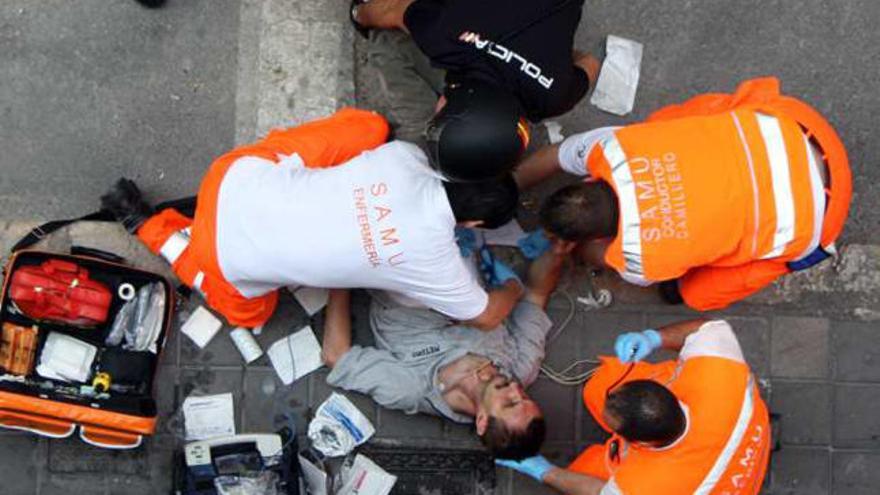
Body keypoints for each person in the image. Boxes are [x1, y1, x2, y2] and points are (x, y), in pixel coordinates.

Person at [101, 108, 522, 330]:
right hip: (221, 256)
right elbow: (486, 316)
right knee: (250, 316)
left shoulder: (406, 156)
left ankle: (175, 224)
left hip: (231, 177)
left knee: (371, 127)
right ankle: (152, 229)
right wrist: (517, 289)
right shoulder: (435, 262)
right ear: (473, 225)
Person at [516, 77, 852, 310]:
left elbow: (597, 257)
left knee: (694, 293)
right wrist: (513, 183)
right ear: (588, 181)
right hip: (795, 126)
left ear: (602, 238)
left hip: (822, 216)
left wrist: (565, 250)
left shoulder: (638, 257)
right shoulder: (614, 148)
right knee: (665, 124)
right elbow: (563, 153)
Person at [321, 246, 570, 459]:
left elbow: (336, 356)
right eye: (525, 397)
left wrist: (339, 280)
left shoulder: (410, 389)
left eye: (510, 402)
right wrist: (558, 251)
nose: (516, 388)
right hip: (457, 262)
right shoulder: (521, 367)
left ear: (482, 421)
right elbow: (536, 295)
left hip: (402, 277)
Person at [498, 318, 771, 494]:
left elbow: (597, 491)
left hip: (704, 485)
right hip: (737, 434)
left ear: (642, 445)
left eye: (613, 426)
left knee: (582, 473)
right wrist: (654, 338)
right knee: (600, 385)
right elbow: (707, 329)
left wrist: (545, 471)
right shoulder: (719, 374)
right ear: (669, 393)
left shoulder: (647, 486)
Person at [352, 0, 600, 181]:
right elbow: (390, 9)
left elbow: (589, 63)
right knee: (390, 34)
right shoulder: (442, 36)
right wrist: (359, 14)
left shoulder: (554, 96)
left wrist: (548, 59)